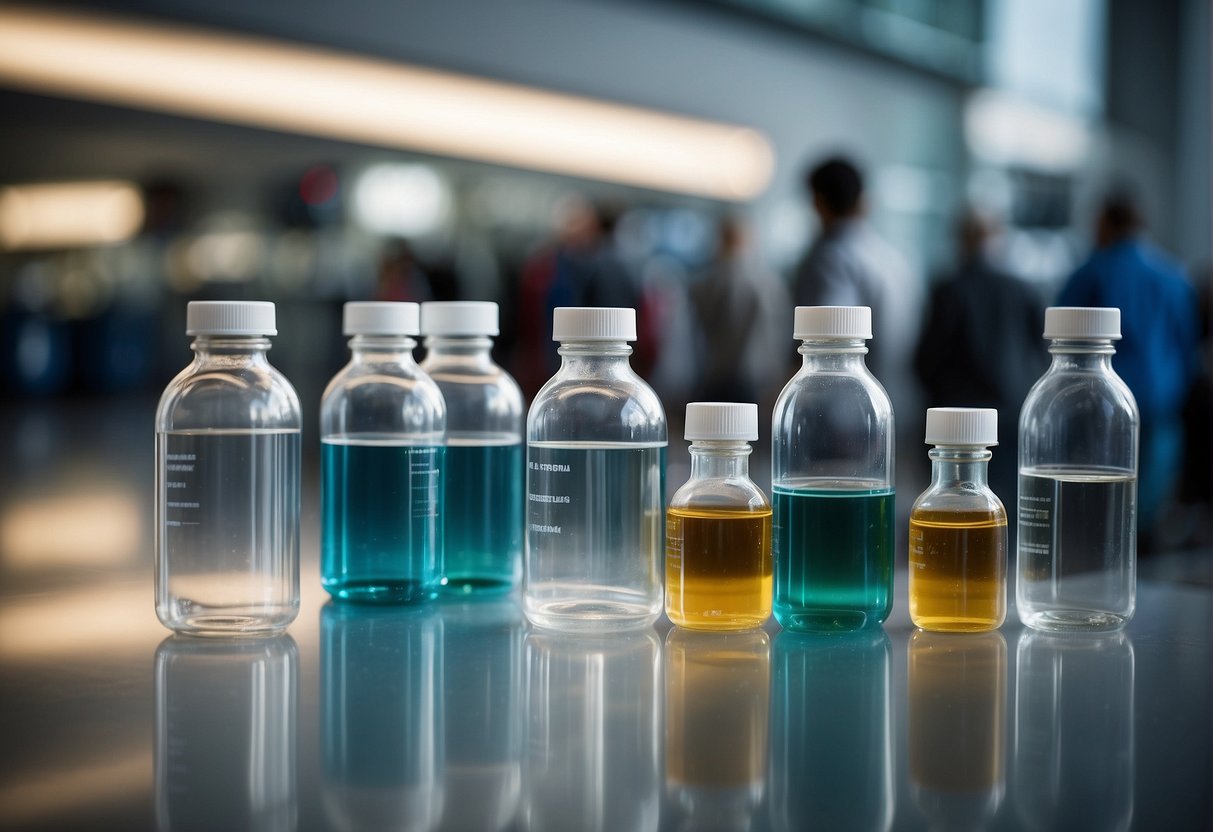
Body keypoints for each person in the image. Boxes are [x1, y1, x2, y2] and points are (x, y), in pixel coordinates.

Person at [1058, 190, 1201, 545]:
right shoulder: (1174, 277)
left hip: (1100, 409)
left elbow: (1062, 340)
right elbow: (1188, 345)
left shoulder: (1092, 273)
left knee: (1101, 510)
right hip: (1162, 404)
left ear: (1106, 222)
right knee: (1147, 508)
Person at [915, 209, 1047, 507]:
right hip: (1011, 415)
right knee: (1006, 505)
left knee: (956, 506)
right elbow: (1043, 355)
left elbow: (926, 360)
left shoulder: (950, 289)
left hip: (957, 423)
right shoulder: (1024, 289)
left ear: (961, 240)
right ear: (998, 238)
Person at [793, 156, 921, 387]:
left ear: (818, 202)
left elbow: (829, 344)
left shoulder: (830, 260)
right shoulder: (895, 259)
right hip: (897, 399)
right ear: (863, 200)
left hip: (848, 406)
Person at [689, 215, 790, 404]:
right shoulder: (769, 282)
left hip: (715, 375)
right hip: (757, 378)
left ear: (722, 239)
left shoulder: (708, 282)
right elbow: (778, 333)